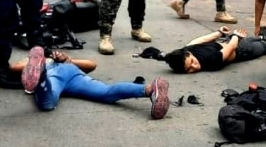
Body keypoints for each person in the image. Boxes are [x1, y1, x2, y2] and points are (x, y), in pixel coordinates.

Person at [16, 48, 169, 119]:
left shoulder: (57, 60)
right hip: (66, 75)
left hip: (64, 74)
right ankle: (150, 89)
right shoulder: (35, 62)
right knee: (106, 93)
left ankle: (41, 76)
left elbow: (91, 65)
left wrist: (66, 59)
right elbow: (14, 68)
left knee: (47, 103)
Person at [150, 26, 266, 73]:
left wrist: (218, 33)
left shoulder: (185, 51)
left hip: (228, 42)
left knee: (262, 38)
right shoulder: (210, 62)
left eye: (192, 62)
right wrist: (236, 36)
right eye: (189, 69)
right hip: (241, 50)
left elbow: (199, 41)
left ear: (187, 53)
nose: (195, 66)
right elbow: (230, 49)